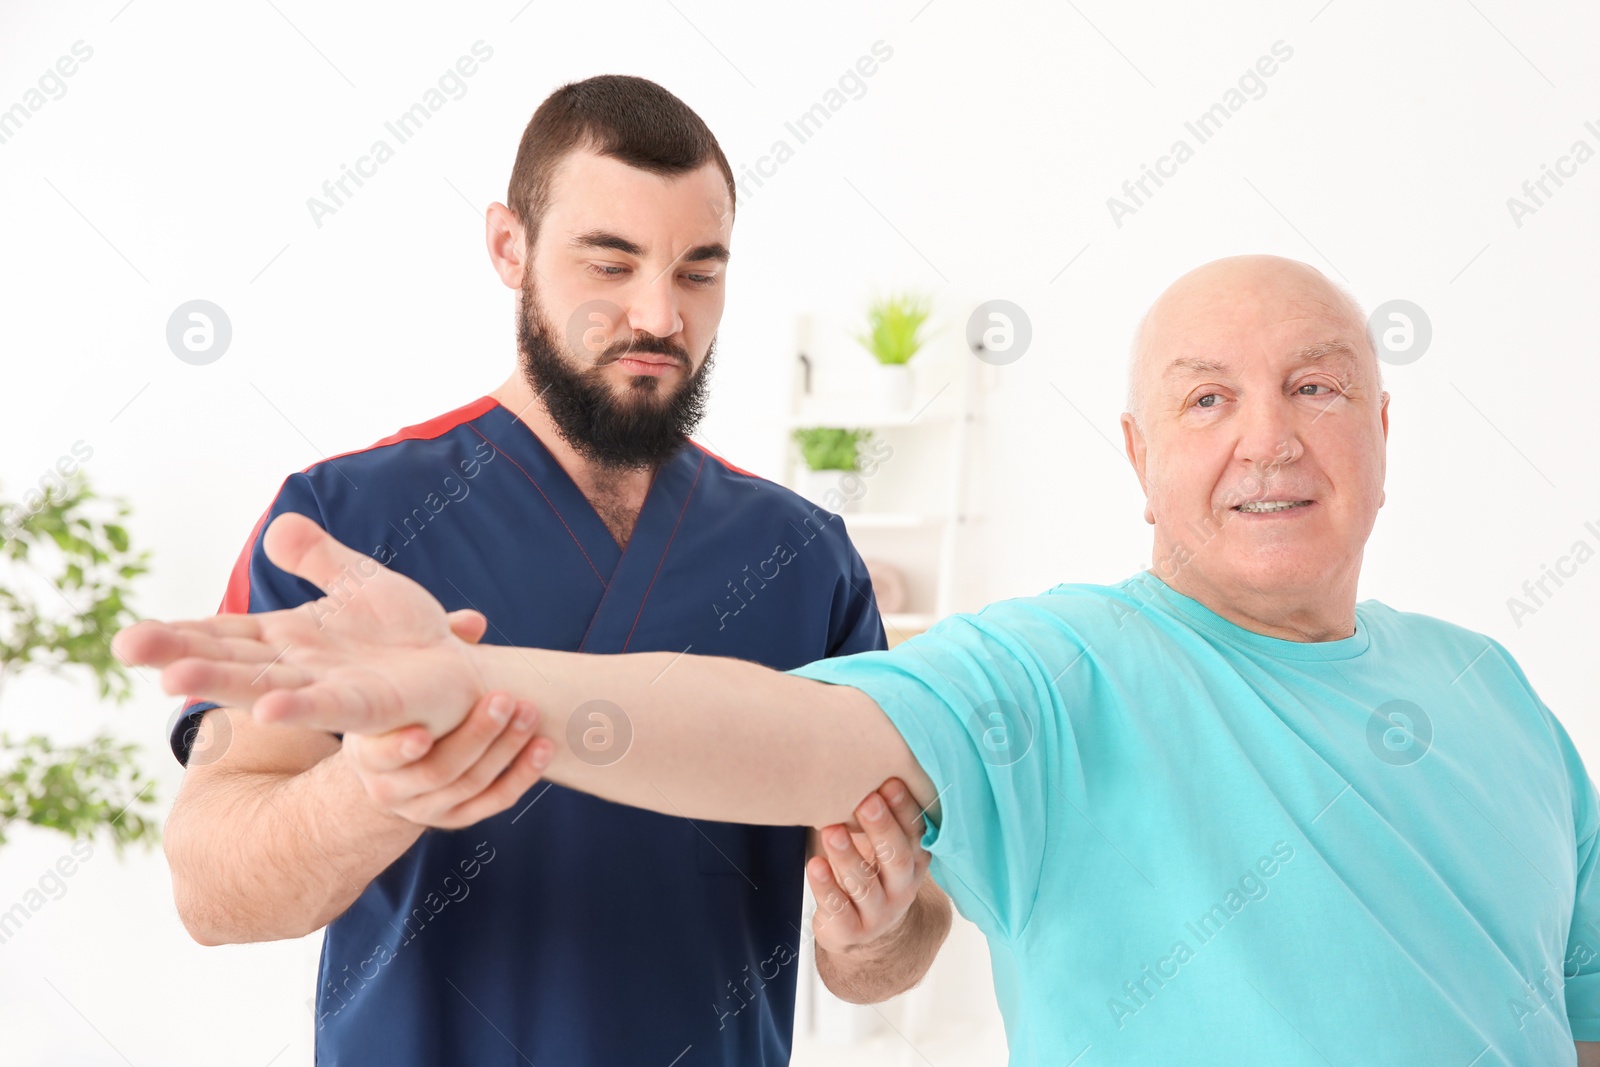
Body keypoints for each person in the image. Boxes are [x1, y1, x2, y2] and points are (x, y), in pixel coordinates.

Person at [124, 255, 1600, 1065]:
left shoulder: (1502, 698)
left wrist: (871, 923)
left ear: (1385, 436)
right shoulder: (1059, 672)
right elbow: (769, 731)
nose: (1268, 435)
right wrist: (473, 684)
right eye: (1208, 398)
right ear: (1143, 460)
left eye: (1318, 386)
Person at [159, 74, 951, 1067]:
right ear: (508, 246)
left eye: (698, 271)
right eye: (609, 264)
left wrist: (872, 927)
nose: (659, 315)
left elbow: (909, 931)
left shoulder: (803, 557)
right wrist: (376, 787)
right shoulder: (337, 523)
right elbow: (209, 887)